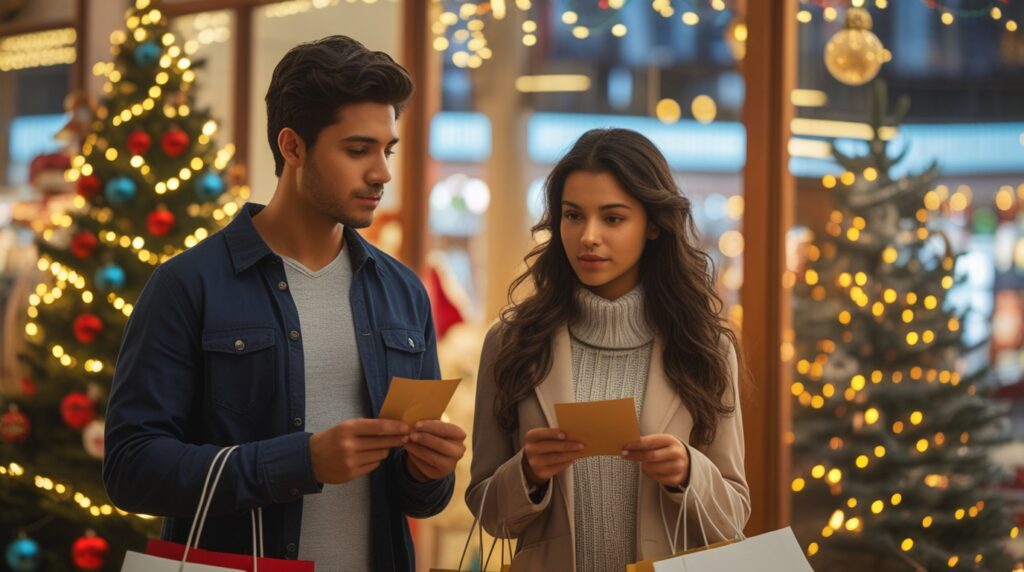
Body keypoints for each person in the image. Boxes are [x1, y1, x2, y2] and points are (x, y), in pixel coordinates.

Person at [104, 36, 466, 571]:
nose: (382, 173)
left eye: (386, 150)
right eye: (357, 149)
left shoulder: (402, 291)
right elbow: (131, 469)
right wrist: (299, 461)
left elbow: (418, 500)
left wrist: (429, 472)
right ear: (293, 147)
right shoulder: (187, 284)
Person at [467, 128, 750, 571]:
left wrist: (688, 472)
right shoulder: (512, 342)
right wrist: (528, 473)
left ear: (653, 224)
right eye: (573, 215)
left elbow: (733, 515)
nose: (588, 237)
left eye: (613, 218)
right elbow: (487, 511)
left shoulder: (704, 347)